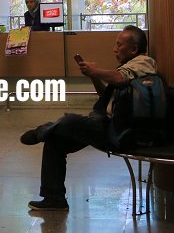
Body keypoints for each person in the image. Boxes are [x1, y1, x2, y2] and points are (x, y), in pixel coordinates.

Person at [19, 25, 156, 211]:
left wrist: (95, 71)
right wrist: (93, 76)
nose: (115, 49)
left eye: (119, 45)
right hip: (105, 123)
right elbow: (105, 96)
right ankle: (54, 198)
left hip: (120, 131)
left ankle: (42, 130)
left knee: (70, 121)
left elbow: (119, 78)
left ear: (133, 49)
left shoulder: (143, 62)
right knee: (55, 140)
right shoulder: (129, 65)